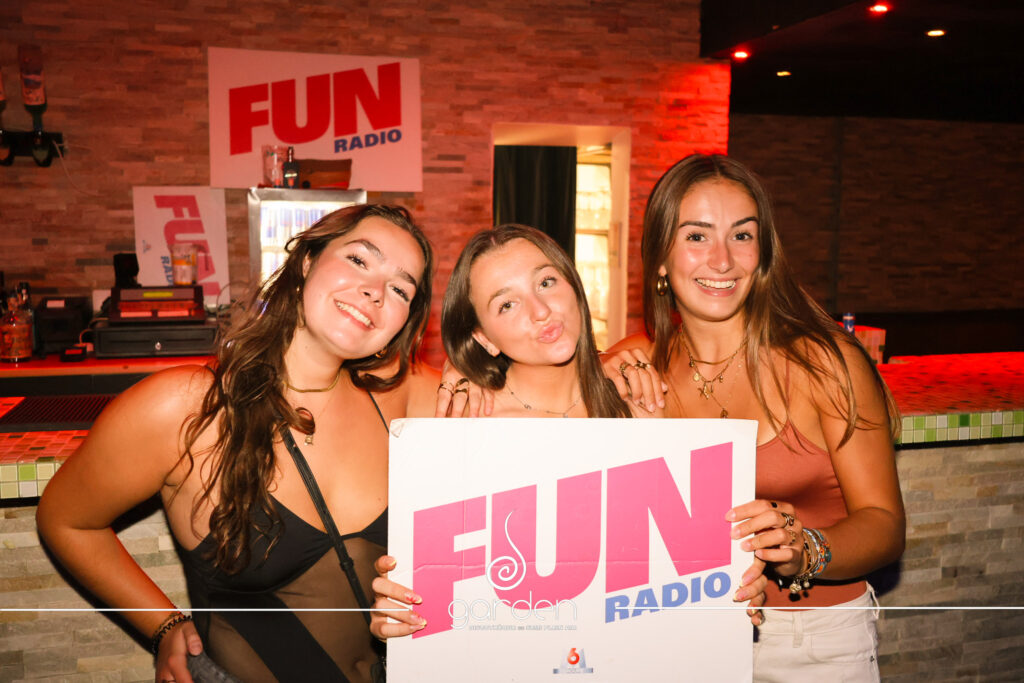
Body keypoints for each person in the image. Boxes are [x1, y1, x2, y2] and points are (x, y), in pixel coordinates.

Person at [37, 204, 438, 683]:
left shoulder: (401, 395)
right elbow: (66, 520)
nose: (375, 291)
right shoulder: (188, 408)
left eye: (400, 289)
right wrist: (163, 625)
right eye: (358, 260)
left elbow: (513, 389)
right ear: (307, 262)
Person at [371, 223, 768, 640]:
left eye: (546, 282)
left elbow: (676, 563)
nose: (541, 311)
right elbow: (444, 581)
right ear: (483, 337)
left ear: (575, 287)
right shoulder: (464, 424)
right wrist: (400, 614)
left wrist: (733, 579)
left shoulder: (640, 404)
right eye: (507, 304)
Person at [604, 153, 905, 681]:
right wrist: (469, 376)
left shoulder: (824, 363)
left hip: (811, 643)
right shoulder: (633, 363)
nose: (722, 260)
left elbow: (884, 524)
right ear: (660, 256)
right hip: (678, 634)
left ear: (762, 253)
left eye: (741, 235)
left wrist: (805, 550)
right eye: (697, 236)